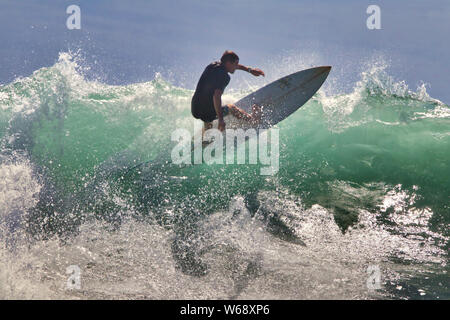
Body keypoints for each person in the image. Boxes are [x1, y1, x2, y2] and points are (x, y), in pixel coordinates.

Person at [191, 50, 265, 133]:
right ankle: (253, 120)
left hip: (195, 108)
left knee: (207, 113)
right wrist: (221, 120)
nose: (236, 67)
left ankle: (205, 135)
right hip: (206, 110)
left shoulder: (212, 66)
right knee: (231, 108)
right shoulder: (224, 76)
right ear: (229, 63)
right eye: (235, 64)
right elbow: (216, 96)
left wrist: (249, 70)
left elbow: (236, 66)